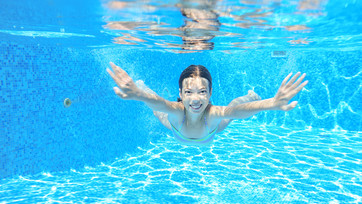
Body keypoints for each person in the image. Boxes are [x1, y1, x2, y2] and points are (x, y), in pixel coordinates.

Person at [107, 63, 308, 145]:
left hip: (211, 131)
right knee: (158, 110)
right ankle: (142, 87)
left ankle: (250, 95)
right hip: (177, 129)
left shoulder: (212, 113)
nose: (195, 99)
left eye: (202, 92)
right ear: (181, 94)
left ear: (210, 93)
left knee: (229, 111)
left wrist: (272, 103)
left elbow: (237, 111)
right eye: (188, 92)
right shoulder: (177, 110)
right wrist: (139, 95)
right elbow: (160, 103)